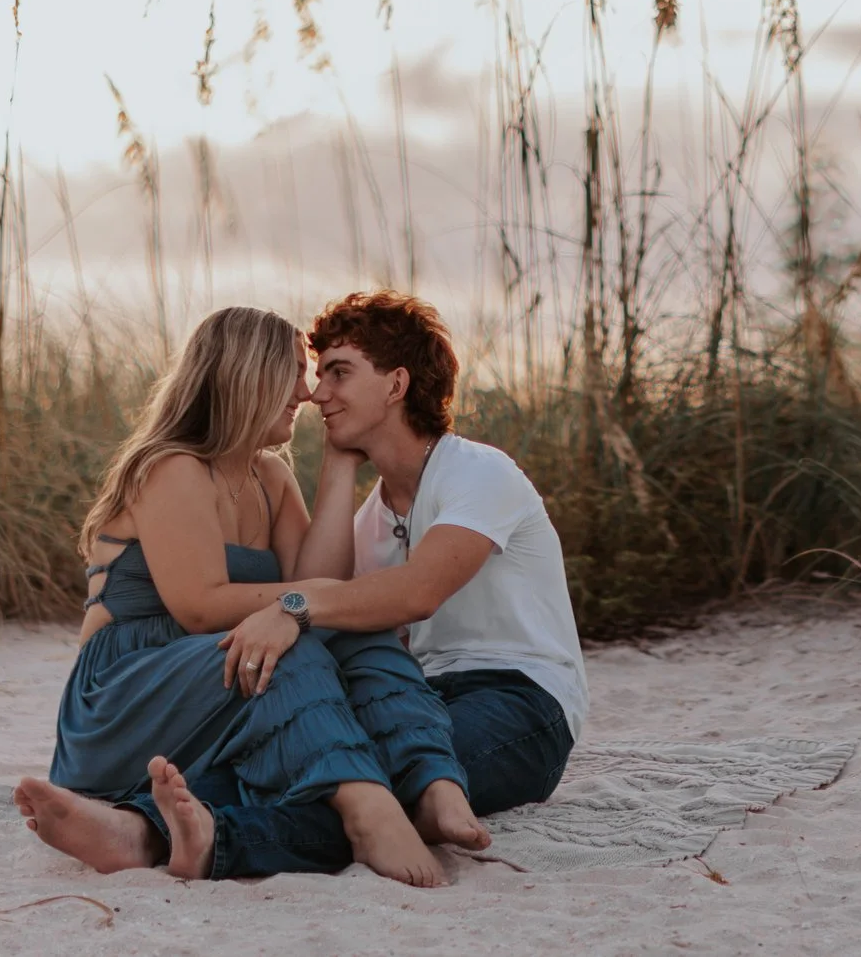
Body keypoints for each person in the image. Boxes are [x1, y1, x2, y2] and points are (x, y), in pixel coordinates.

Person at [9, 305, 487, 886]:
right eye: (292, 372)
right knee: (286, 646)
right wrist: (303, 603)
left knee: (357, 631)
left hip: (220, 683)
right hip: (125, 694)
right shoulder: (173, 467)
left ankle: (431, 778)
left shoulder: (269, 477)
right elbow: (200, 606)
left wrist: (338, 467)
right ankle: (367, 808)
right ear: (247, 376)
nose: (308, 393)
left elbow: (322, 592)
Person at [165, 289, 586, 878]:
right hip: (420, 700)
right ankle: (145, 820)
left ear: (396, 385)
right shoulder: (370, 516)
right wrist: (339, 463)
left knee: (371, 778)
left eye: (339, 373)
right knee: (320, 758)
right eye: (318, 376)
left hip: (521, 702)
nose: (316, 394)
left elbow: (415, 592)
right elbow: (328, 596)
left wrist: (294, 606)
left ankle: (212, 841)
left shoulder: (480, 473)